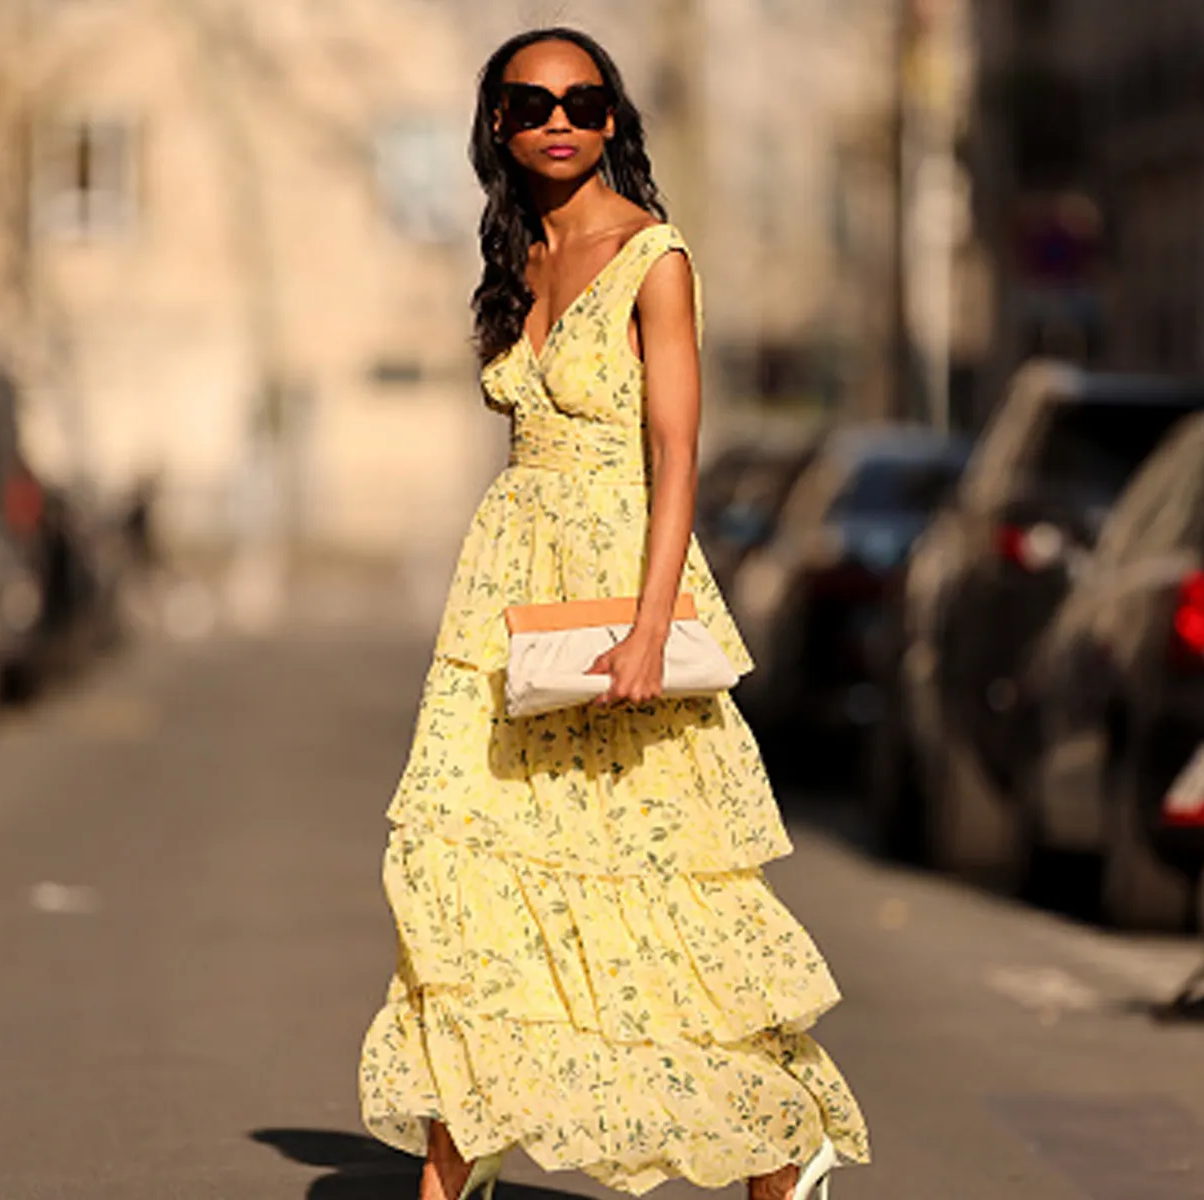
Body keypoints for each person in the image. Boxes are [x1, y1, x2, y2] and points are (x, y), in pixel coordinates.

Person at [357, 26, 870, 1200]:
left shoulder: (654, 258)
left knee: (653, 895)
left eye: (583, 103)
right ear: (496, 123)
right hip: (504, 597)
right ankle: (459, 1150)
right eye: (533, 102)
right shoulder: (516, 254)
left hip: (613, 586)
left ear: (610, 121)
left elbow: (675, 455)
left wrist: (647, 626)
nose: (559, 121)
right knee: (466, 876)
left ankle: (778, 1143)